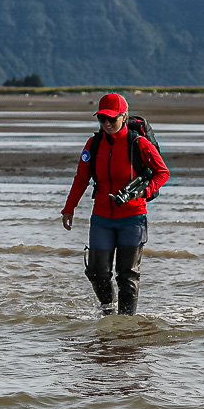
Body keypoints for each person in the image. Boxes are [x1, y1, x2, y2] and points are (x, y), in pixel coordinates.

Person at [60, 93, 169, 315]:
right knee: (97, 271)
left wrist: (144, 192)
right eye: (102, 118)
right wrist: (69, 208)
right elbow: (81, 178)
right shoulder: (94, 144)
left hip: (133, 218)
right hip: (101, 218)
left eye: (112, 119)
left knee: (127, 275)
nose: (107, 123)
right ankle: (108, 313)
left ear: (124, 116)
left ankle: (126, 322)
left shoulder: (139, 144)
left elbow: (162, 173)